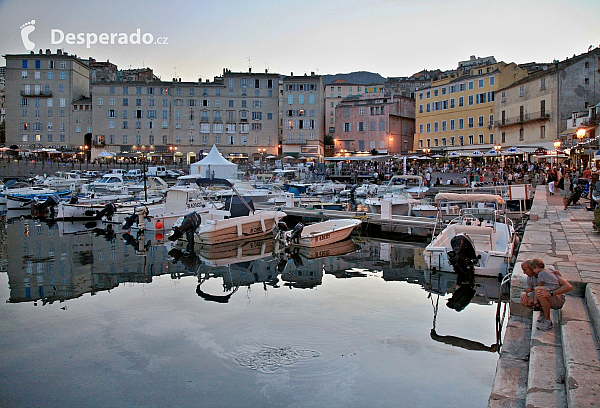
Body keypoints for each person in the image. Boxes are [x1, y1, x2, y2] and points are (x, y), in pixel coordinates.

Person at [519, 259, 572, 331]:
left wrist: (550, 293)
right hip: (545, 296)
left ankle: (548, 321)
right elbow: (528, 291)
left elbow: (568, 287)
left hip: (557, 299)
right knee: (525, 300)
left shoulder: (548, 274)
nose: (524, 272)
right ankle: (543, 313)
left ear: (532, 268)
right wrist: (523, 293)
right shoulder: (530, 277)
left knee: (541, 292)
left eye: (525, 270)